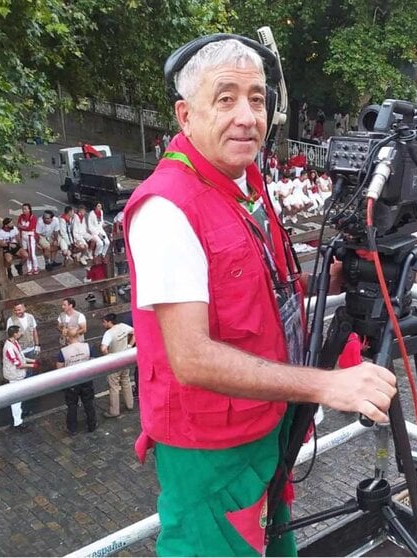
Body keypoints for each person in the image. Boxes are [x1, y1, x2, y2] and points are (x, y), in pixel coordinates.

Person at [122, 36, 396, 555]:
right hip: (211, 449)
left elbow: (257, 290)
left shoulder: (245, 179)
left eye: (257, 98)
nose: (248, 116)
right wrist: (326, 386)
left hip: (264, 425)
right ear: (185, 115)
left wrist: (329, 282)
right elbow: (192, 358)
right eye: (226, 99)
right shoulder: (165, 208)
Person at [58, 327, 97, 434]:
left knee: (72, 405)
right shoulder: (88, 347)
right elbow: (93, 362)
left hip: (71, 382)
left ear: (67, 337)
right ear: (78, 336)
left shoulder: (63, 352)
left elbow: (59, 368)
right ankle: (92, 425)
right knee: (88, 403)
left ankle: (72, 428)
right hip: (86, 378)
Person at [100, 313, 135, 418]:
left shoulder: (108, 333)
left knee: (114, 386)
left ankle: (114, 411)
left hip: (114, 362)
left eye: (104, 322)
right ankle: (130, 404)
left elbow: (103, 348)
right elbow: (135, 332)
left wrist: (108, 356)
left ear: (110, 322)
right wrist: (129, 346)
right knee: (126, 381)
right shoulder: (123, 326)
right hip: (125, 359)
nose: (103, 324)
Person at [2, 325, 36, 428]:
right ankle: (17, 422)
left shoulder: (14, 343)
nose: (21, 333)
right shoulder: (9, 348)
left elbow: (21, 357)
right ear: (15, 334)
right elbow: (18, 364)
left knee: (19, 398)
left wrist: (32, 361)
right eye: (19, 332)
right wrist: (33, 365)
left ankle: (19, 415)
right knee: (16, 400)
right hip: (14, 375)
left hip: (17, 374)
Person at [16, 202, 40, 275]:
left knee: (32, 253)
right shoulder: (21, 217)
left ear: (29, 209)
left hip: (30, 237)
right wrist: (23, 228)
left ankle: (35, 267)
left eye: (25, 209)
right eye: (23, 209)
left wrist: (22, 227)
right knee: (26, 253)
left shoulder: (33, 218)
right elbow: (18, 225)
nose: (24, 210)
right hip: (23, 237)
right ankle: (29, 269)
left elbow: (30, 228)